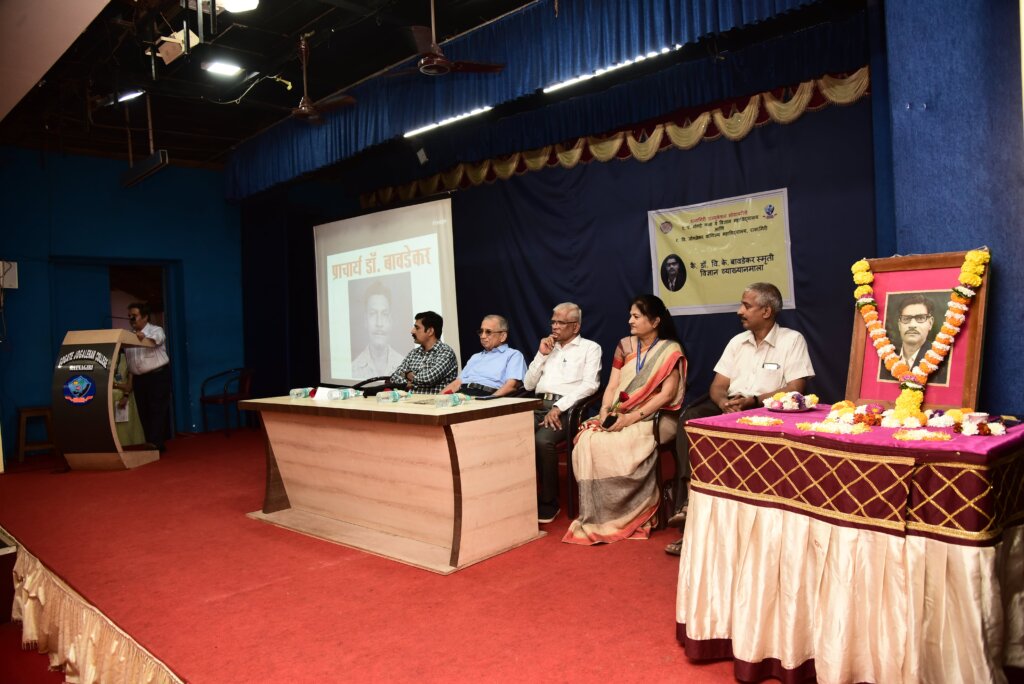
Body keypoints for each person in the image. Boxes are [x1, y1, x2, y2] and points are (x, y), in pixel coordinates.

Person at [664, 282, 814, 555]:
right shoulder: (736, 342)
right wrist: (722, 403)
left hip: (765, 411)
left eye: (746, 306)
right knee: (691, 420)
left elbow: (796, 389)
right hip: (730, 407)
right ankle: (689, 503)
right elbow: (718, 385)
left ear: (766, 311)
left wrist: (754, 402)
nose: (739, 311)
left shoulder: (792, 340)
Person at [561, 294, 686, 545]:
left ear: (655, 321)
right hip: (619, 411)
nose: (630, 320)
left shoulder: (670, 349)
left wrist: (630, 419)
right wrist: (606, 410)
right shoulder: (624, 345)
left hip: (654, 417)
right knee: (587, 440)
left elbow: (667, 395)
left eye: (636, 316)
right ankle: (598, 512)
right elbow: (613, 384)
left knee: (618, 444)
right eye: (630, 315)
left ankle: (629, 512)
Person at [523, 302, 602, 524]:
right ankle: (518, 496)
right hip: (538, 406)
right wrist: (541, 355)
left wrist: (560, 407)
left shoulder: (590, 348)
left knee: (542, 440)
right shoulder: (548, 348)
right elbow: (528, 384)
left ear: (575, 327)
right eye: (553, 321)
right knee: (512, 434)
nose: (555, 327)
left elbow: (590, 386)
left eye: (560, 322)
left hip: (568, 409)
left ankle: (549, 501)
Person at [125, 302, 172, 452]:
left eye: (134, 316)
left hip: (157, 376)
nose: (131, 319)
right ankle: (153, 443)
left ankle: (155, 443)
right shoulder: (128, 335)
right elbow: (131, 363)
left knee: (157, 409)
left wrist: (143, 336)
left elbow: (156, 339)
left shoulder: (156, 330)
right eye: (129, 316)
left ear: (145, 317)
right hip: (139, 379)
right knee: (143, 411)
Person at [442, 315, 527, 397]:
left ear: (503, 336)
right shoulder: (475, 357)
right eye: (481, 331)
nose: (482, 336)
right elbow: (457, 383)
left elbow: (511, 386)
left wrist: (489, 400)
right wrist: (435, 400)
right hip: (462, 394)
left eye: (488, 332)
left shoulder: (513, 355)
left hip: (487, 395)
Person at [388, 311, 458, 394]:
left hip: (435, 405)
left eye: (417, 328)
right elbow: (395, 377)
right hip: (410, 404)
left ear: (430, 331)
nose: (412, 331)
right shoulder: (413, 353)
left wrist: (407, 375)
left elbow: (428, 379)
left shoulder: (446, 352)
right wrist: (407, 380)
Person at [887, 293, 947, 384]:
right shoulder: (888, 356)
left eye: (920, 318)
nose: (912, 325)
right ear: (899, 325)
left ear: (930, 323)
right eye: (906, 319)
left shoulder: (943, 363)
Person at [351, 281, 404, 378]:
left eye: (384, 314)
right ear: (365, 320)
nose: (379, 323)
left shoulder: (405, 366)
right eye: (372, 313)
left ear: (390, 320)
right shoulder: (353, 370)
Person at [112, 351, 145, 446]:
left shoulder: (127, 357)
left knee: (126, 428)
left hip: (125, 397)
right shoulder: (104, 357)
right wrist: (119, 385)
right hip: (108, 397)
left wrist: (125, 394)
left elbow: (129, 386)